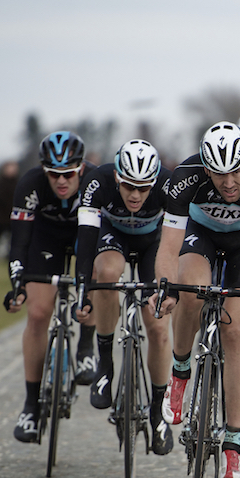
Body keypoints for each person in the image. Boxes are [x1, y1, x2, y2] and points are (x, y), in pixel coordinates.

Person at [154, 121, 240, 478]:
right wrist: (166, 288)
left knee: (236, 329)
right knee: (191, 289)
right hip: (201, 236)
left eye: (235, 173)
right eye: (218, 175)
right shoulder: (185, 176)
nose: (228, 184)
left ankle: (233, 443)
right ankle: (180, 371)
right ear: (206, 169)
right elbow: (167, 247)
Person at [74, 140, 175, 455]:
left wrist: (167, 286)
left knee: (158, 328)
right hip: (112, 237)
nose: (135, 195)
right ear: (117, 178)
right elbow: (86, 239)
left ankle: (158, 411)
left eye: (144, 188)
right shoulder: (97, 181)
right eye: (129, 186)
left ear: (154, 182)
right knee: (105, 272)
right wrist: (83, 290)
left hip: (152, 246)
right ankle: (105, 365)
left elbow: (176, 242)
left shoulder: (168, 186)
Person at [4, 131, 97, 443]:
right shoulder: (30, 184)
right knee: (39, 313)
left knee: (97, 273)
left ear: (81, 168)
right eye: (54, 174)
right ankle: (31, 405)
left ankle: (86, 347)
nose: (61, 181)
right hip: (46, 241)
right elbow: (18, 242)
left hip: (85, 236)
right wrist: (17, 282)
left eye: (68, 174)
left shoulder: (95, 182)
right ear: (44, 170)